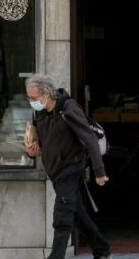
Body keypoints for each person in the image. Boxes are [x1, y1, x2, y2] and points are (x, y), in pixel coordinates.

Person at [24, 74, 111, 259]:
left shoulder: (68, 109)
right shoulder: (39, 113)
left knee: (62, 217)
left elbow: (90, 140)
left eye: (33, 98)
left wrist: (99, 171)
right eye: (29, 98)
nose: (31, 101)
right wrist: (31, 152)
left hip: (71, 168)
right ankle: (102, 249)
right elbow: (38, 143)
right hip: (55, 171)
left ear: (47, 93)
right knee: (77, 212)